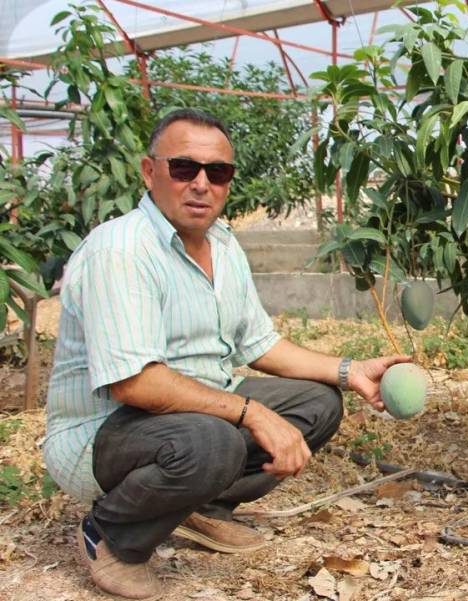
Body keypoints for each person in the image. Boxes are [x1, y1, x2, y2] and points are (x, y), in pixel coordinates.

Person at [43, 108, 410, 599]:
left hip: (188, 420)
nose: (201, 184)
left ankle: (198, 509)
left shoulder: (222, 244)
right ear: (150, 172)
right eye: (183, 168)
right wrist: (250, 412)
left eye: (217, 173)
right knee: (216, 440)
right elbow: (134, 383)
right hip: (103, 432)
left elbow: (260, 344)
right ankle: (112, 536)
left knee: (317, 404)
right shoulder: (123, 250)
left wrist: (350, 371)